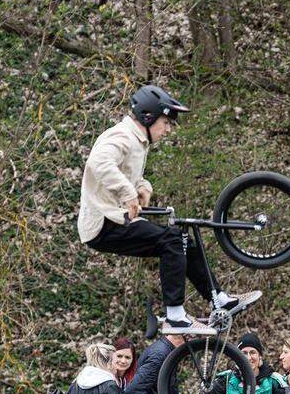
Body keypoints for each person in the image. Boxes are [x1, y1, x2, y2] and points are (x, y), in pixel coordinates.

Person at [77, 84, 257, 335]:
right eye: (166, 122)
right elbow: (99, 163)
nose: (169, 129)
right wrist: (128, 194)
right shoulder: (121, 136)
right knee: (171, 240)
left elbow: (126, 172)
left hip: (118, 218)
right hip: (103, 223)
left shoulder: (138, 141)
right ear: (148, 116)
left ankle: (219, 298)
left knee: (183, 241)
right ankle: (175, 315)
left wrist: (142, 187)